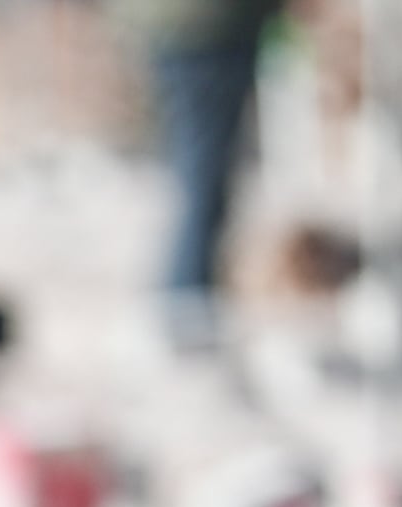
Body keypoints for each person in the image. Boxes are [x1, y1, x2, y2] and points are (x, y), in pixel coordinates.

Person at [111, 0, 281, 351]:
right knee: (203, 175)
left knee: (197, 169)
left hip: (181, 26)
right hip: (209, 27)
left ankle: (186, 301)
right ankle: (186, 308)